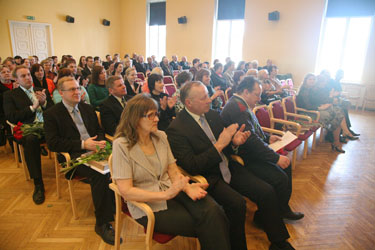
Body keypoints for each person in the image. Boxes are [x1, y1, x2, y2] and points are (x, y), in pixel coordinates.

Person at [166, 81, 295, 250]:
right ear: (189, 103)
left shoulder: (212, 115)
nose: (209, 99)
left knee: (266, 191)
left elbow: (227, 145)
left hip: (228, 166)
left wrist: (234, 142)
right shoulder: (177, 129)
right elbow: (192, 165)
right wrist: (219, 145)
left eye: (208, 94)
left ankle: (278, 242)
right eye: (204, 97)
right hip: (209, 176)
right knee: (237, 204)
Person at [111, 94, 231, 250]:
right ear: (135, 119)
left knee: (216, 212)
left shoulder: (160, 136)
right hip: (148, 203)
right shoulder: (121, 145)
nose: (157, 119)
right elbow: (126, 191)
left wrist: (187, 187)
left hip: (173, 189)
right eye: (150, 115)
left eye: (156, 114)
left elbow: (172, 169)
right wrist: (166, 195)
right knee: (209, 223)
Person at [43, 76, 118, 245]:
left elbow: (99, 130)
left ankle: (115, 201)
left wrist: (99, 142)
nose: (77, 92)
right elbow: (53, 143)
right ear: (61, 93)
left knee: (118, 162)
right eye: (72, 89)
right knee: (100, 174)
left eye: (78, 88)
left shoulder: (87, 108)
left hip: (95, 150)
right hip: (73, 157)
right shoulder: (52, 114)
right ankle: (102, 223)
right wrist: (84, 144)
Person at [221, 76, 304, 220]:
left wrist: (267, 137)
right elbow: (251, 140)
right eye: (257, 95)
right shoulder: (237, 108)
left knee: (285, 167)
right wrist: (276, 158)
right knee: (280, 178)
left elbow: (253, 130)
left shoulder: (240, 104)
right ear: (246, 92)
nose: (259, 99)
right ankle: (265, 216)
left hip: (252, 151)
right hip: (246, 157)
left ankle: (281, 209)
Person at [3, 65, 54, 204]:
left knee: (65, 130)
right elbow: (12, 116)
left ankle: (72, 167)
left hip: (47, 127)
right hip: (28, 129)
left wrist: (44, 104)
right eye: (23, 76)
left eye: (29, 75)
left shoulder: (40, 90)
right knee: (31, 140)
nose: (28, 78)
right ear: (16, 80)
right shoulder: (10, 95)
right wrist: (33, 108)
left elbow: (53, 111)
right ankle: (38, 183)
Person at [296, 73, 352, 153]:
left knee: (337, 114)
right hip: (307, 114)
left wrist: (323, 104)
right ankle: (336, 140)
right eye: (310, 79)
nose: (312, 81)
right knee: (333, 116)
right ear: (305, 81)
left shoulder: (312, 89)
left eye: (313, 79)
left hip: (314, 111)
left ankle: (336, 141)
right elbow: (307, 106)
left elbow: (318, 100)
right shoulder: (304, 90)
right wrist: (320, 107)